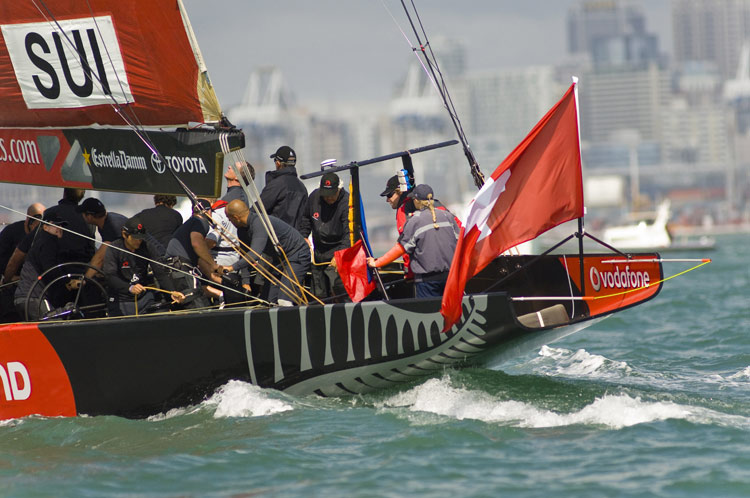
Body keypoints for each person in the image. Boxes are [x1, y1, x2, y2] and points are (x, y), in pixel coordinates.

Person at [368, 184, 459, 298]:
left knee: (429, 315)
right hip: (451, 277)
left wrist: (376, 262)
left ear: (416, 200)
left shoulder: (415, 220)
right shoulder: (448, 216)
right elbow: (461, 242)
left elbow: (400, 249)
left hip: (426, 282)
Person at [222, 199, 310, 306]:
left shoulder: (259, 223)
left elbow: (255, 253)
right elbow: (245, 254)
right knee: (267, 302)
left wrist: (231, 268)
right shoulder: (242, 229)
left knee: (285, 300)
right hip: (279, 260)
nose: (230, 222)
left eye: (229, 219)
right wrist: (246, 281)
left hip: (296, 255)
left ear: (236, 217)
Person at [102, 216, 184, 316]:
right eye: (135, 238)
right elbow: (110, 276)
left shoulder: (147, 247)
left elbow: (159, 273)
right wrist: (130, 288)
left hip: (144, 298)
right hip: (121, 299)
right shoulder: (114, 249)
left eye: (141, 238)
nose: (139, 241)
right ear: (124, 234)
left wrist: (171, 291)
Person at [298, 172, 350, 301]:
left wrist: (339, 255)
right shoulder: (314, 197)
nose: (328, 198)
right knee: (319, 293)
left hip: (338, 250)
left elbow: (349, 234)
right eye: (325, 195)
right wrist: (304, 236)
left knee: (337, 291)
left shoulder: (347, 202)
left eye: (332, 195)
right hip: (319, 252)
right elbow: (306, 219)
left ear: (338, 189)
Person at [165, 199, 221, 306]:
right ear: (208, 212)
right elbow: (197, 243)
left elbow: (199, 258)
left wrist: (215, 276)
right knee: (198, 306)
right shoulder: (201, 222)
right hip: (182, 266)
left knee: (189, 302)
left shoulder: (190, 222)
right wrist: (214, 265)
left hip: (174, 267)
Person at [13, 215, 69, 320]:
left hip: (24, 297)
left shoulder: (40, 242)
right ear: (45, 227)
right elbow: (51, 270)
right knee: (56, 326)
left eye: (61, 225)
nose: (60, 228)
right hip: (34, 297)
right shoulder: (48, 242)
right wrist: (67, 283)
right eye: (56, 225)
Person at [77, 197, 128, 278]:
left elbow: (99, 258)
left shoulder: (111, 227)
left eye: (83, 214)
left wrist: (84, 280)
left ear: (89, 216)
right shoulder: (107, 220)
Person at [260, 145, 308, 230]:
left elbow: (259, 208)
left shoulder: (277, 184)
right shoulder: (302, 187)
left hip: (277, 237)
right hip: (295, 238)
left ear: (278, 163)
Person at [0, 202, 44, 280]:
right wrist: (8, 278)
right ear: (28, 220)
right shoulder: (11, 231)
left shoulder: (45, 234)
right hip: (10, 277)